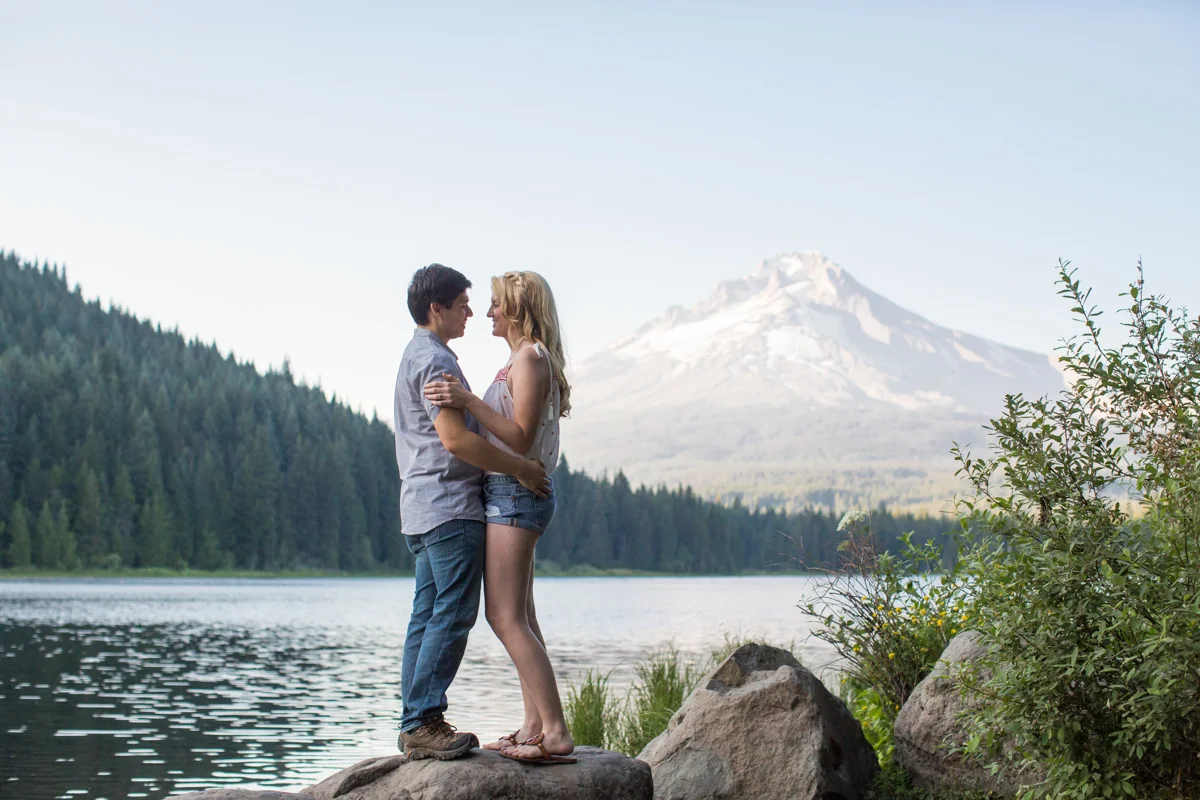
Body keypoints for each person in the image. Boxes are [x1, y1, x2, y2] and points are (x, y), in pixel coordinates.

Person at [394, 264, 550, 761]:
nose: (472, 311)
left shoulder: (416, 354)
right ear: (436, 308)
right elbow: (456, 439)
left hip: (421, 509)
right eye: (462, 303)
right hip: (450, 506)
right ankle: (424, 719)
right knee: (454, 613)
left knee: (425, 615)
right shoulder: (436, 362)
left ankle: (416, 720)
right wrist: (523, 470)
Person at [423, 270, 576, 765]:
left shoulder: (530, 358)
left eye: (494, 304)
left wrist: (467, 401)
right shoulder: (520, 359)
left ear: (517, 308)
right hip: (510, 494)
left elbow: (519, 437)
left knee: (503, 615)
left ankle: (554, 731)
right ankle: (535, 724)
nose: (486, 312)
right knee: (523, 617)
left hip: (515, 494)